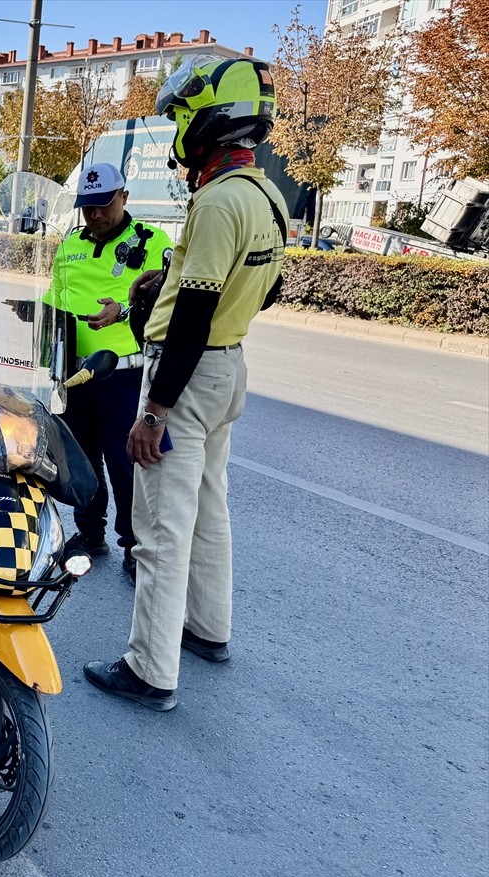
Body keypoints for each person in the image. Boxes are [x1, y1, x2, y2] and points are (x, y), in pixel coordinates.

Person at [84, 55, 287, 711]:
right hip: (229, 369)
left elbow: (195, 313)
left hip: (186, 375)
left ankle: (149, 669)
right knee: (210, 508)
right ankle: (208, 628)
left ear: (208, 120)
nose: (178, 130)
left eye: (182, 116)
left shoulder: (218, 201)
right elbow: (268, 286)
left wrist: (156, 411)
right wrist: (173, 269)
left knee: (161, 527)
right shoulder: (265, 196)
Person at [38, 162, 172, 581]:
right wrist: (40, 328)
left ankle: (135, 545)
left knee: (126, 463)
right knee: (80, 459)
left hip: (126, 376)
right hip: (76, 375)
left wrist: (124, 313)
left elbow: (167, 300)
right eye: (86, 207)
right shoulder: (70, 244)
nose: (94, 215)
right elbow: (55, 297)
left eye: (103, 205)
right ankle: (89, 531)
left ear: (124, 198)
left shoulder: (152, 242)